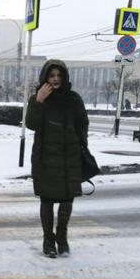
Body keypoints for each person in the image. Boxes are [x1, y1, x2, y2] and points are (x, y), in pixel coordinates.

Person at [26, 60, 89, 258]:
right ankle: (48, 240)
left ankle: (62, 236)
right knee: (47, 199)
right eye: (52, 75)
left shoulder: (73, 99)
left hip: (69, 155)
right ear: (46, 77)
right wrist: (39, 101)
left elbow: (82, 125)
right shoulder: (38, 98)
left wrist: (82, 149)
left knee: (67, 199)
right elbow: (31, 124)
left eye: (59, 76)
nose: (55, 79)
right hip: (45, 156)